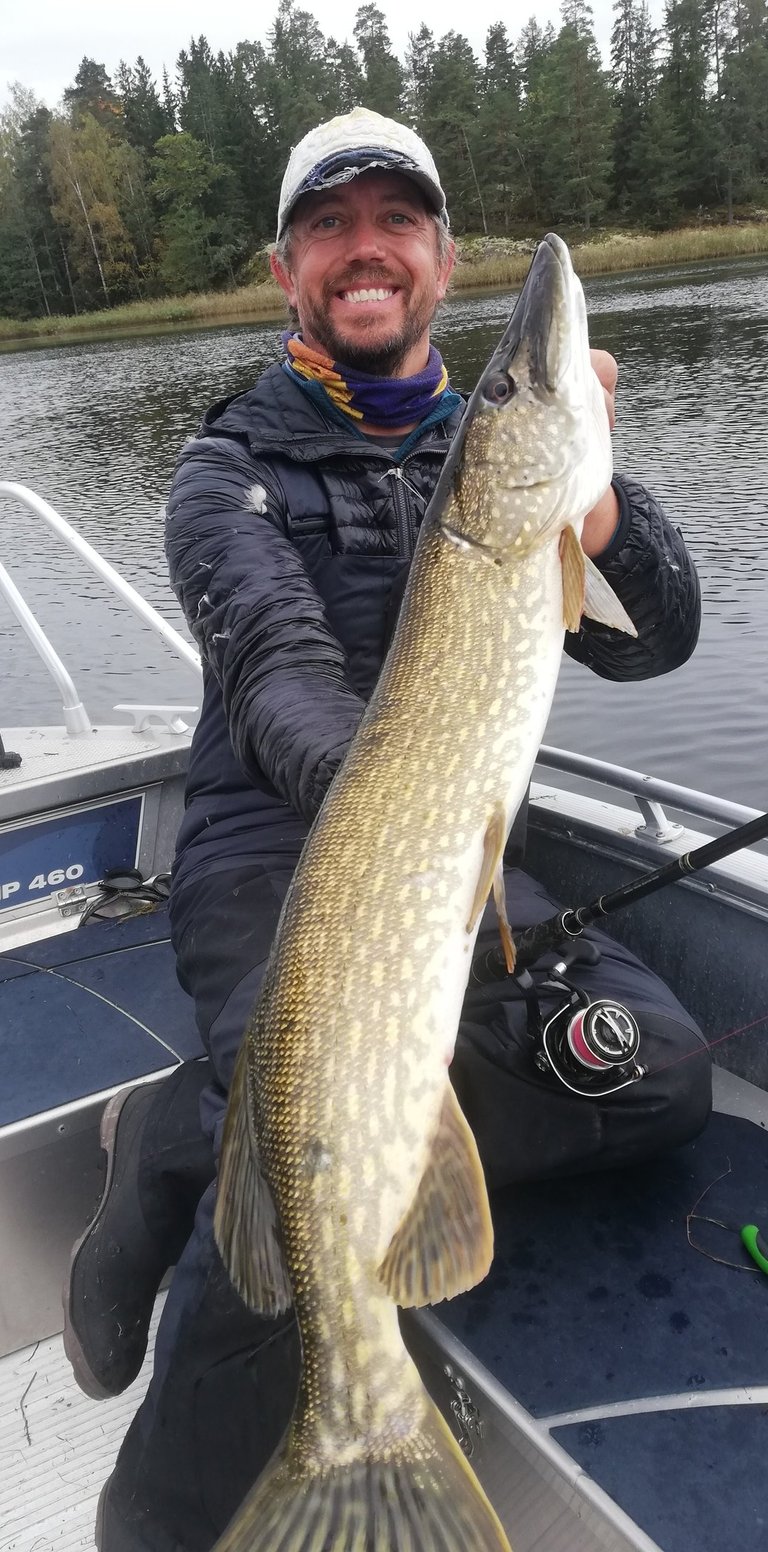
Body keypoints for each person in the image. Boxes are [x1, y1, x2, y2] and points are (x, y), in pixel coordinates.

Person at [65, 108, 712, 1552]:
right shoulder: (222, 470)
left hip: (440, 868)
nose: (367, 251)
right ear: (288, 269)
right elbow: (285, 687)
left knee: (661, 1077)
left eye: (396, 222)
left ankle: (192, 1124)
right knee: (304, 1191)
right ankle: (157, 1518)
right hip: (263, 859)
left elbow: (658, 635)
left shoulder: (497, 462)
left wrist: (591, 501)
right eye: (330, 228)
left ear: (438, 256)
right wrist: (412, 788)